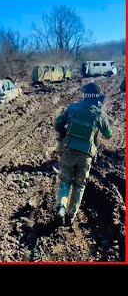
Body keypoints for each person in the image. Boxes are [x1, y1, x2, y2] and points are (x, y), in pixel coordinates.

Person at [54, 82, 112, 227]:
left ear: (84, 94)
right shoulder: (99, 114)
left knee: (65, 181)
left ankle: (61, 207)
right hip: (86, 155)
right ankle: (70, 216)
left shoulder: (73, 107)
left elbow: (58, 123)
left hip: (69, 150)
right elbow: (108, 134)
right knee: (79, 185)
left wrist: (64, 131)